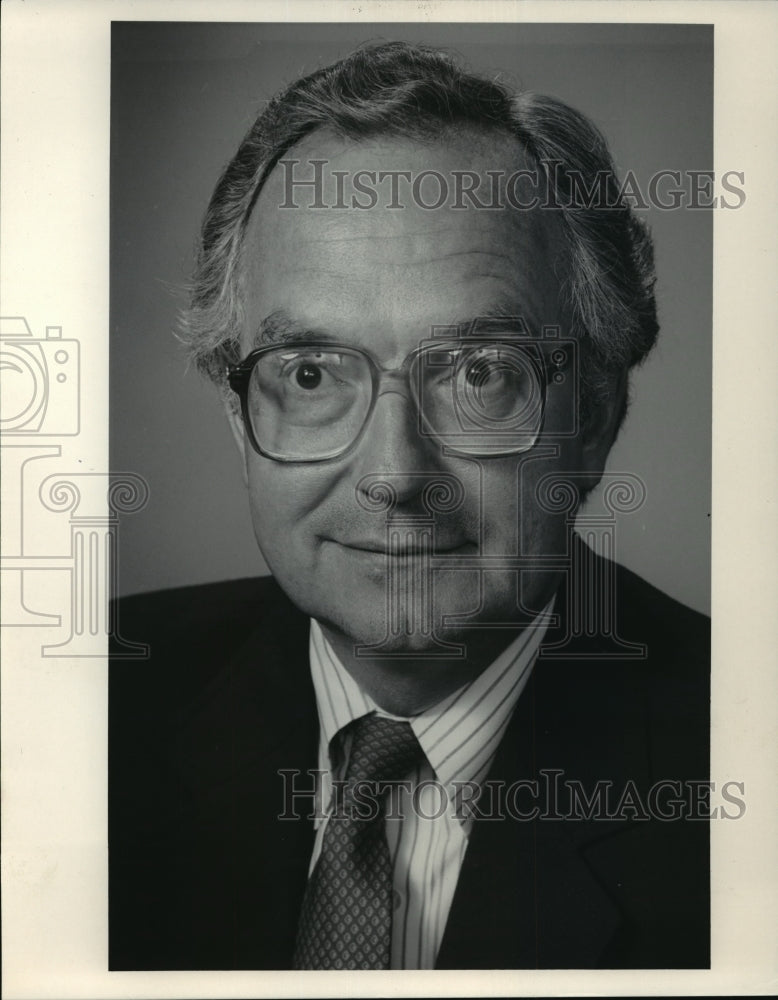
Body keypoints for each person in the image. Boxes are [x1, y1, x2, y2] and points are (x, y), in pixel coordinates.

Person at [109, 41, 709, 971]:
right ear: (239, 414)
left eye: (479, 373)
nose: (393, 472)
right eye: (310, 372)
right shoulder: (81, 711)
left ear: (592, 419)